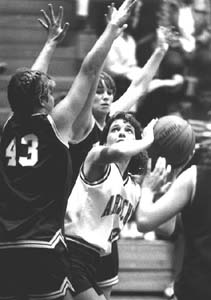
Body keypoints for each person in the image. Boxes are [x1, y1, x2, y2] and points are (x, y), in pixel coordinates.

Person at [0, 1, 136, 298]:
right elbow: (88, 71)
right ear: (44, 101)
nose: (53, 96)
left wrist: (49, 44)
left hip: (5, 246)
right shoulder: (54, 125)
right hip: (43, 244)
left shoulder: (10, 125)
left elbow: (28, 86)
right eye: (49, 93)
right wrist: (112, 29)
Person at [64, 112, 159, 299]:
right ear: (105, 141)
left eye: (128, 130)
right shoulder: (96, 158)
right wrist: (148, 138)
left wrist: (171, 176)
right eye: (115, 129)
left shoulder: (134, 188)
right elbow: (120, 152)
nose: (121, 133)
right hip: (70, 253)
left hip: (94, 259)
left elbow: (164, 227)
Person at [135, 144, 211, 299]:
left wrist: (147, 189)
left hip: (195, 290)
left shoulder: (194, 177)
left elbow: (144, 220)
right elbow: (166, 228)